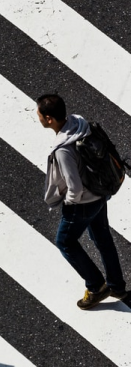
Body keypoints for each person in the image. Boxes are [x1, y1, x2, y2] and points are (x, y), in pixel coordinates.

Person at [37, 94, 127, 309]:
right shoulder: (80, 124)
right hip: (99, 192)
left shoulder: (63, 150)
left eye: (39, 114)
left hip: (83, 204)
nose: (38, 117)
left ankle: (96, 286)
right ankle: (116, 285)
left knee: (65, 242)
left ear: (49, 119)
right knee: (103, 238)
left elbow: (74, 187)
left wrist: (69, 203)